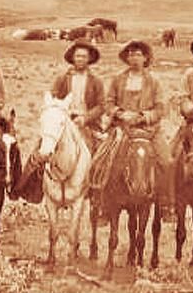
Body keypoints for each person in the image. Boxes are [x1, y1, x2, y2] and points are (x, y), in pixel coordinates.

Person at [100, 40, 175, 197]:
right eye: (131, 55)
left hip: (149, 130)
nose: (134, 58)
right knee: (102, 160)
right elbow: (108, 103)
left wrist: (143, 116)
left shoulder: (154, 81)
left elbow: (161, 108)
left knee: (167, 161)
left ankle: (166, 202)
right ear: (127, 58)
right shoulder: (117, 79)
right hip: (122, 129)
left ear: (145, 58)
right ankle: (103, 202)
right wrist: (120, 114)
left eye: (138, 55)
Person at [52, 39, 107, 146]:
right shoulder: (62, 79)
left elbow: (101, 106)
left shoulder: (96, 81)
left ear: (89, 59)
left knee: (97, 151)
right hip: (64, 121)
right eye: (78, 56)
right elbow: (54, 99)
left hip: (88, 124)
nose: (80, 59)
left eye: (84, 56)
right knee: (45, 146)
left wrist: (85, 118)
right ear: (73, 58)